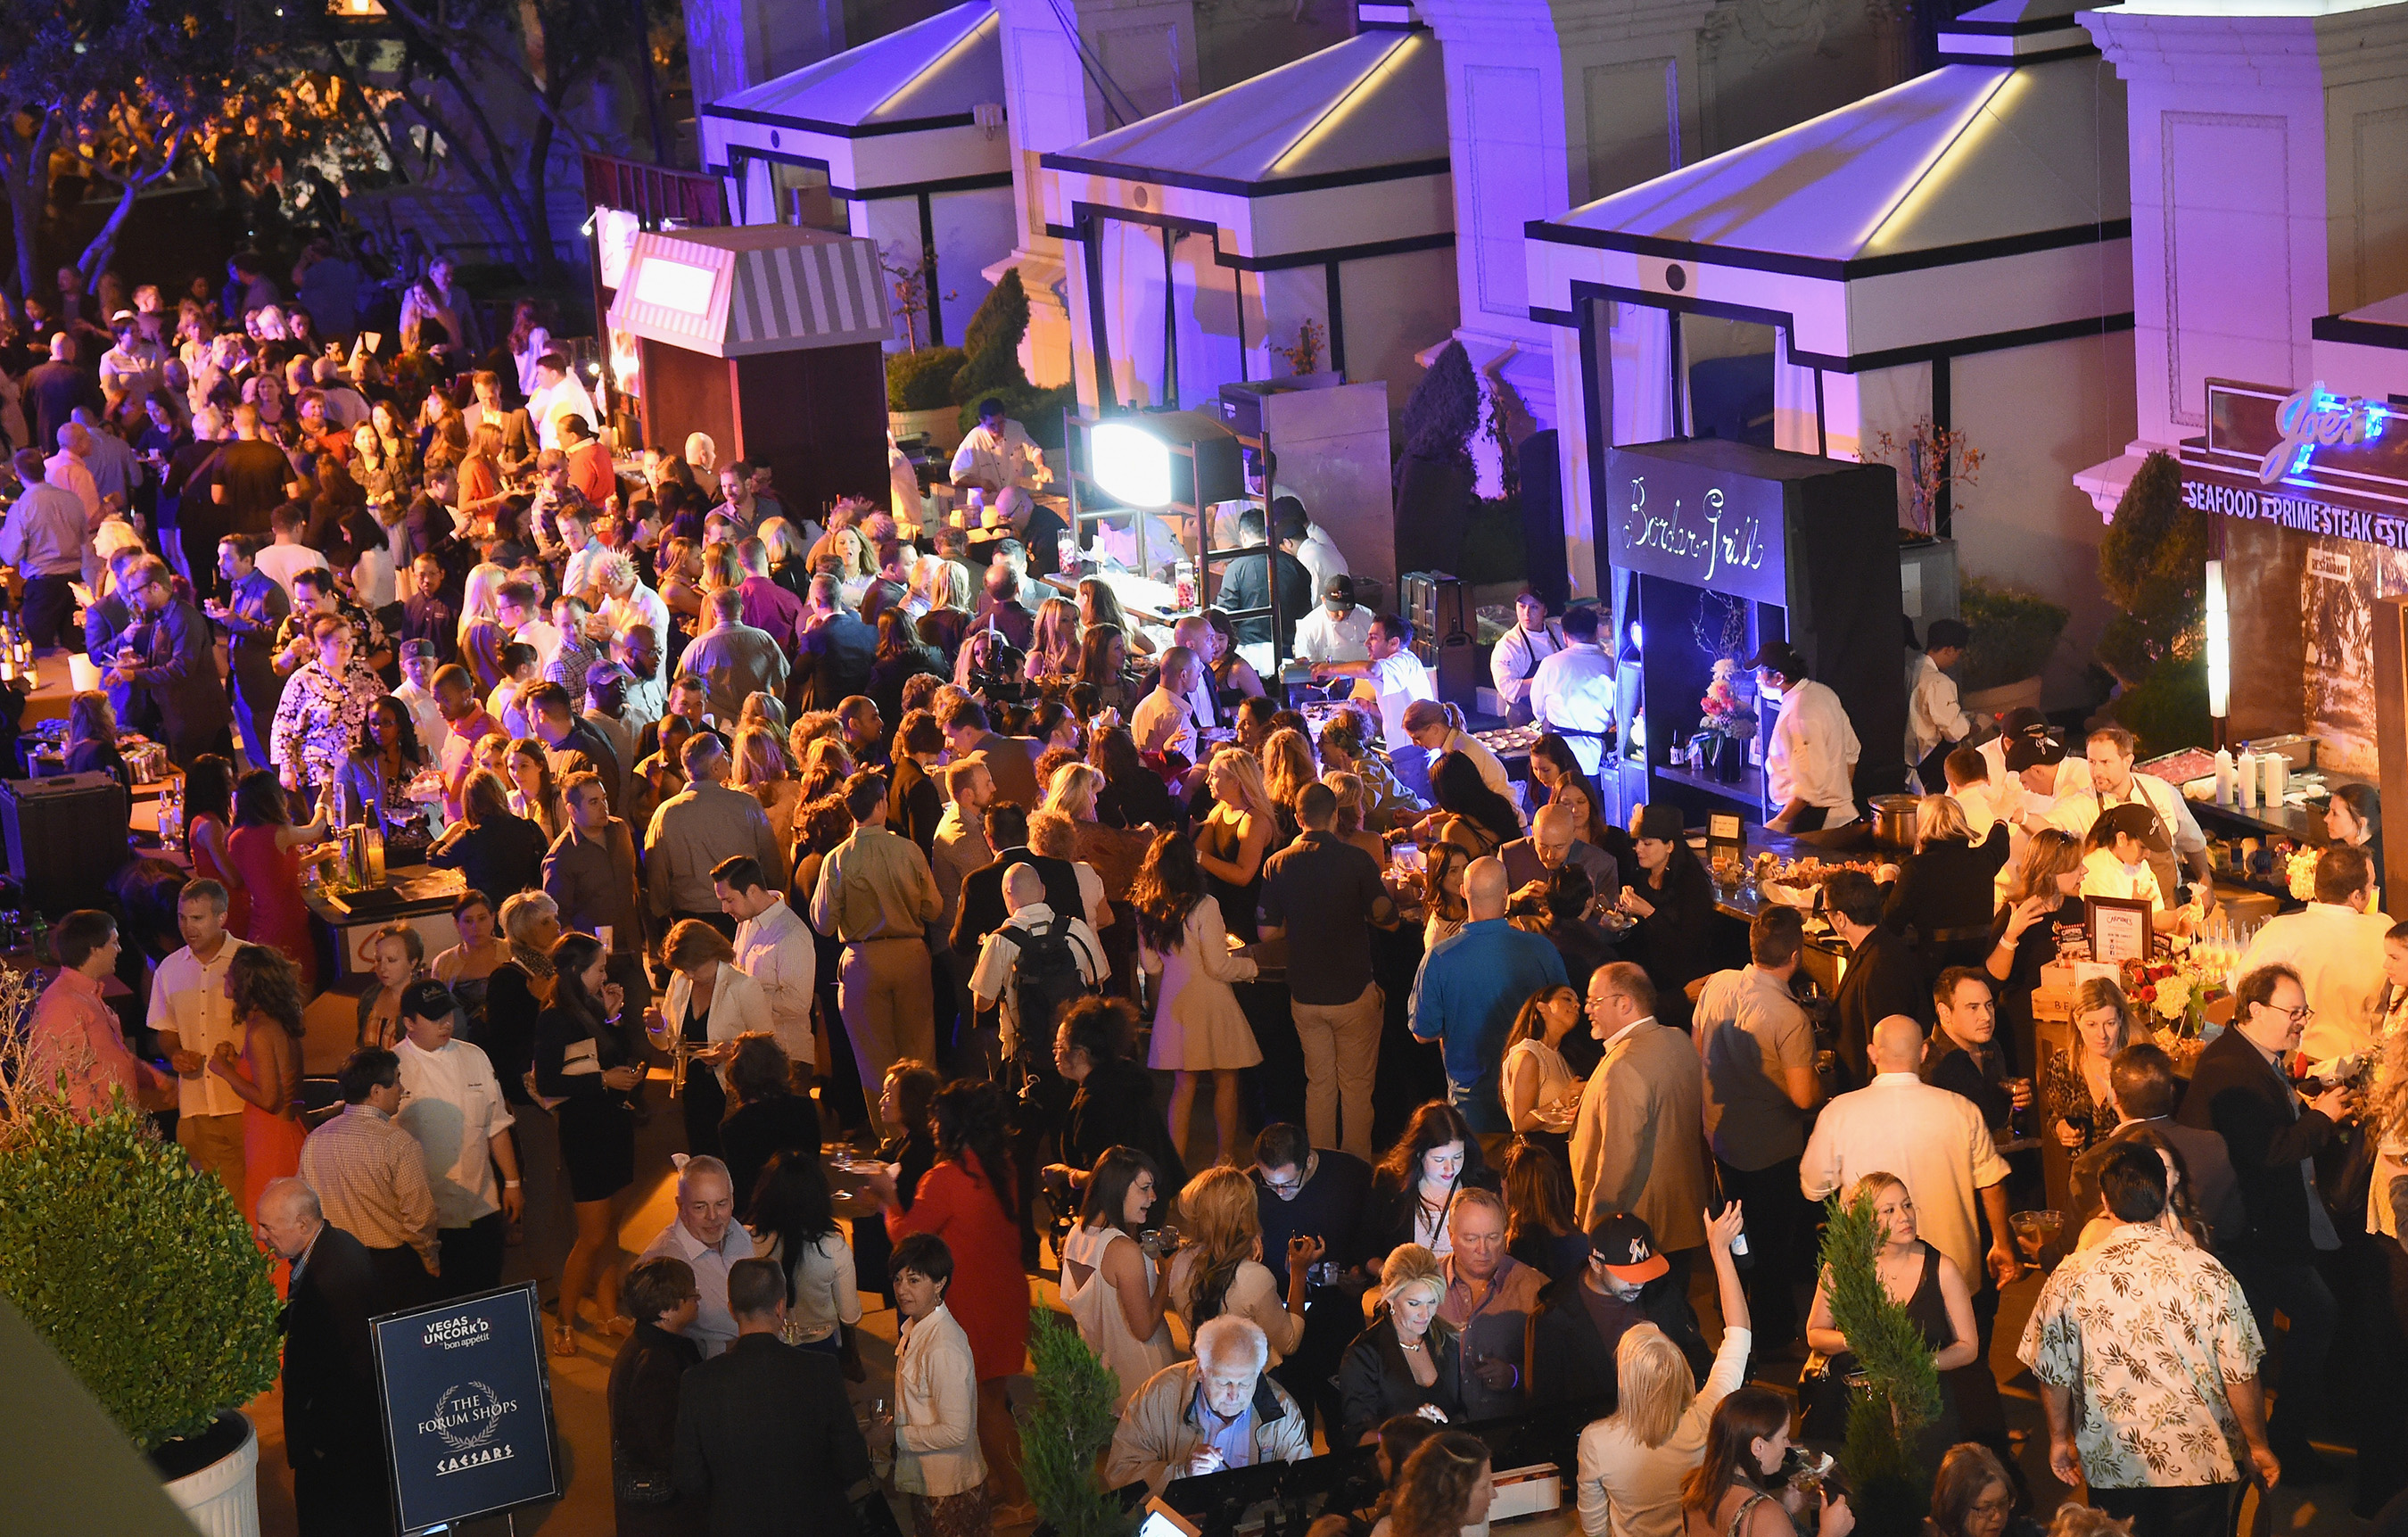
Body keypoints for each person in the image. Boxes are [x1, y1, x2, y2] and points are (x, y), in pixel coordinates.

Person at [2018, 1144, 2277, 1536]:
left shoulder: (2070, 1276)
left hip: (2113, 1460)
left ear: (2105, 1201)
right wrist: (2257, 1444)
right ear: (2164, 1192)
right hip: (2200, 1460)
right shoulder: (2208, 1272)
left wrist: (2058, 1438)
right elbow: (2240, 1372)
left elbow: (2052, 1372)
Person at [2176, 962, 2349, 1474]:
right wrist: (2323, 1118)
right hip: (2251, 1240)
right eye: (2292, 1012)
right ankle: (2270, 1447)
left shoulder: (2252, 1057)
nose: (2301, 1022)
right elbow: (2269, 1150)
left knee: (2293, 1327)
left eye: (2303, 1012)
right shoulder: (2231, 1071)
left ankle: (2275, 1441)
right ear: (2254, 1010)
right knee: (2266, 1342)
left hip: (2263, 1236)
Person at [862, 1078, 1031, 1516]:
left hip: (973, 1303)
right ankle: (1004, 1481)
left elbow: (906, 1235)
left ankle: (1020, 1499)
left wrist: (886, 1199)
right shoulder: (1001, 1166)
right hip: (1006, 1294)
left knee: (983, 1405)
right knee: (989, 1398)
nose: (933, 1126)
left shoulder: (946, 1177)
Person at [1802, 1016, 2021, 1310]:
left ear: (1872, 1053)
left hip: (1873, 1278)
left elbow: (1814, 1188)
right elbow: (1991, 1182)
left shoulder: (1838, 1113)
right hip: (1953, 1276)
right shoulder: (1961, 1109)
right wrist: (2003, 1244)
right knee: (1964, 1351)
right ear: (1923, 1053)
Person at [1576, 1203, 1753, 1537]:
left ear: (1625, 1382)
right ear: (1678, 1369)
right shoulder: (1706, 1418)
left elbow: (1594, 1528)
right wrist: (1719, 1251)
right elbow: (1739, 1334)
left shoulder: (1596, 1441)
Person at [1694, 908, 1821, 1350]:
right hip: (1769, 1148)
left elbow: (1699, 1051)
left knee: (1731, 1223)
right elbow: (1804, 1098)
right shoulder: (1790, 1017)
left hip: (1719, 1135)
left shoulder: (1718, 984)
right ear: (1795, 954)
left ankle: (1722, 1301)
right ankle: (1770, 1335)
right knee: (1770, 1246)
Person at [672, 1257, 872, 1537]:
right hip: (816, 1523)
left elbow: (689, 1479)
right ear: (780, 1307)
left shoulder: (698, 1382)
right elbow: (852, 1463)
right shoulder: (820, 1371)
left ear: (732, 1310)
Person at [257, 1178, 402, 1537]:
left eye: (267, 1227)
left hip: (338, 1445)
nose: (260, 1236)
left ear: (302, 1225)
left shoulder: (333, 1278)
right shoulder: (331, 1247)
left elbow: (353, 1365)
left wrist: (321, 1444)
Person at [1802, 1173, 1990, 1450]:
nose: (1905, 1216)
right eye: (1889, 1210)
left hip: (1923, 1406)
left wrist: (1919, 1365)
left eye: (1907, 1205)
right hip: (1855, 1408)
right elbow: (1815, 1334)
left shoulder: (1943, 1270)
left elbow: (1968, 1346)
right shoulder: (1840, 1270)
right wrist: (1853, 1340)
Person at [535, 930, 641, 1356]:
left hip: (615, 1126)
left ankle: (609, 1311)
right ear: (577, 971)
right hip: (587, 1134)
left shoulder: (590, 1008)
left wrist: (611, 1016)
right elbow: (548, 1081)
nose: (605, 974)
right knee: (592, 1235)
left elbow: (604, 1054)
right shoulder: (555, 1016)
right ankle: (564, 1322)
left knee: (612, 1227)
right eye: (599, 968)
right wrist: (604, 1080)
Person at [1410, 856, 1571, 1135]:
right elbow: (1567, 1013)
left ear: (1463, 891)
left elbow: (1423, 1033)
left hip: (1471, 1107)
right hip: (1535, 1100)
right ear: (1506, 892)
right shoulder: (1541, 949)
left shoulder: (1438, 958)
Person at [810, 770, 944, 1097]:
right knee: (920, 1054)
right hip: (911, 955)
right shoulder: (909, 851)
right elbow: (934, 909)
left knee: (873, 1059)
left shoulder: (837, 859)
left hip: (863, 960)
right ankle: (924, 1129)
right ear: (882, 804)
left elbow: (823, 923)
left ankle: (889, 1135)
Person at [1569, 964, 1711, 1269]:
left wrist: (1595, 1230)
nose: (1587, 1010)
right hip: (1682, 1218)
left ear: (1625, 1003)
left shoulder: (1623, 1066)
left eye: (1595, 1001)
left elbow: (1616, 1166)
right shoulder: (1679, 1041)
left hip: (1639, 1234)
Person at [392, 979, 521, 1296]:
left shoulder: (474, 1056)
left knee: (488, 1294)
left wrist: (513, 1183)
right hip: (428, 1218)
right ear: (409, 1022)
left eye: (448, 1014)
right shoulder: (392, 1068)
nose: (446, 1024)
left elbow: (496, 1126)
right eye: (434, 1018)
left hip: (482, 1205)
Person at [1106, 1315, 1315, 1494]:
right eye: (1223, 1382)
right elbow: (1120, 1471)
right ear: (1200, 1371)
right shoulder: (1159, 1396)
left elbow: (1303, 1483)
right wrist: (1183, 1474)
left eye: (1245, 1383)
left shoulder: (1283, 1411)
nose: (1234, 1395)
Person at [2066, 1042, 2243, 1252]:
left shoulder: (2091, 1162)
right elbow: (2233, 1226)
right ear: (2171, 1092)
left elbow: (2071, 1246)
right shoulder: (2212, 1146)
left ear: (2114, 1096)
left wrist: (2040, 1253)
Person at [301, 1047, 441, 1299]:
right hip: (388, 1266)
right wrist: (428, 1257)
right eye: (396, 1080)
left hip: (335, 1264)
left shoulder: (315, 1139)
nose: (402, 1089)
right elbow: (420, 1216)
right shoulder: (399, 1143)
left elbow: (307, 1204)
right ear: (376, 1092)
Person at [878, 1233, 993, 1533]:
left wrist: (896, 1436)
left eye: (914, 1280)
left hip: (950, 1491)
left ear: (940, 1283)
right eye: (898, 1280)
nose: (902, 1290)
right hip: (931, 1483)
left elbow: (955, 1431)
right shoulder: (917, 1329)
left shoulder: (942, 1345)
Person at [2232, 842, 2391, 1061]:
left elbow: (2240, 985)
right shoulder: (2385, 932)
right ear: (2357, 896)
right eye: (2371, 885)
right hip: (2365, 1065)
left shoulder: (2280, 930)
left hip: (2301, 1065)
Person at [150, 880, 252, 1201]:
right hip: (194, 1106)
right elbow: (166, 1030)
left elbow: (276, 1027)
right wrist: (176, 1052)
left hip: (244, 1103)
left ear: (222, 917)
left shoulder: (250, 961)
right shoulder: (169, 969)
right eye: (182, 918)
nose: (187, 927)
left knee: (249, 1198)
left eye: (197, 918)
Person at [1060, 1145, 1180, 1409]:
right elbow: (1144, 1328)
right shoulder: (1122, 1250)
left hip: (1104, 1378)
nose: (1154, 1197)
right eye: (1144, 1188)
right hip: (1144, 1378)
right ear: (1118, 1188)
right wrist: (1167, 1272)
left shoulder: (1077, 1234)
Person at [2048, 725, 2214, 913]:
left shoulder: (2161, 791)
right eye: (2092, 762)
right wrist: (2024, 818)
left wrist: (2205, 882)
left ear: (2128, 761)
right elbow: (2047, 828)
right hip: (2114, 913)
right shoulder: (2082, 804)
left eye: (2105, 762)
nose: (2097, 771)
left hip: (2167, 903)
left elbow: (2192, 841)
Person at [647, 920, 771, 1162]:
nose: (691, 975)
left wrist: (733, 1051)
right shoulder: (680, 980)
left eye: (695, 967)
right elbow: (668, 1041)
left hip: (731, 1090)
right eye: (685, 969)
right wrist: (657, 1026)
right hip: (693, 1086)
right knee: (702, 1157)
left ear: (713, 952)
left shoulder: (743, 985)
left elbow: (767, 1044)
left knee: (734, 1160)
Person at [609, 1256, 706, 1537]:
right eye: (691, 1295)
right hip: (665, 1514)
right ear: (666, 1311)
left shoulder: (646, 1347)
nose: (697, 1298)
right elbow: (663, 1443)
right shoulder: (657, 1363)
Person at [647, 733, 785, 931]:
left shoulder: (666, 813)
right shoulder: (746, 805)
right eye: (724, 755)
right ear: (715, 768)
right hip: (744, 914)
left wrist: (661, 910)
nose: (729, 759)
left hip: (690, 917)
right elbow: (771, 862)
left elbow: (657, 871)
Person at [1431, 1188, 1546, 1422]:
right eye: (1471, 1239)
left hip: (1509, 1432)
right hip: (1439, 1438)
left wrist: (1515, 1375)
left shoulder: (1534, 1288)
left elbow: (1561, 1369)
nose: (1482, 1250)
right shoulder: (1426, 1284)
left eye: (1493, 1238)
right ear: (1450, 1234)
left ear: (1507, 1235)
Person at [1679, 1385, 1854, 1537]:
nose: (1788, 1444)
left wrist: (1784, 1507)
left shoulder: (1695, 1488)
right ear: (1758, 1447)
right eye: (1784, 1437)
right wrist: (1831, 1532)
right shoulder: (1763, 1514)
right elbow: (1758, 1521)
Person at [109, 556, 233, 768]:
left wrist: (135, 675)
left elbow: (182, 668)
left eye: (135, 592)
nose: (132, 599)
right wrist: (135, 665)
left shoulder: (183, 618)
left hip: (198, 722)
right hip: (179, 719)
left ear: (155, 586)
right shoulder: (162, 615)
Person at [1339, 1243, 1464, 1443]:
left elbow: (1461, 1412)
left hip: (1445, 1466)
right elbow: (1358, 1437)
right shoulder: (1363, 1354)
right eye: (1414, 1304)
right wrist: (1408, 1430)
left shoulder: (1447, 1339)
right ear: (1390, 1296)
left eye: (1432, 1302)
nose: (1425, 1314)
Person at [1885, 795, 2012, 984]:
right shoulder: (1983, 861)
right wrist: (2000, 820)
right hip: (1979, 966)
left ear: (1922, 825)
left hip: (1933, 974)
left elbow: (1890, 923)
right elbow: (1999, 843)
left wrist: (1887, 880)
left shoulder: (1916, 869)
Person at [749, 1148, 862, 1358]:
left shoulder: (749, 1242)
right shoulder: (834, 1248)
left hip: (766, 1348)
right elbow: (850, 1316)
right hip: (820, 1349)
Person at [1615, 805, 1716, 1032]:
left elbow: (1686, 948)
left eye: (1647, 843)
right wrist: (1619, 920)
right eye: (1637, 842)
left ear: (1670, 846)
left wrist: (1649, 913)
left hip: (1683, 986)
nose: (1638, 849)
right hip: (1647, 983)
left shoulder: (1691, 886)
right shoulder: (1639, 876)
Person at [1363, 1103, 1499, 1268]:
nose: (1450, 1168)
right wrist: (1391, 1274)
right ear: (1419, 1154)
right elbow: (1366, 1249)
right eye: (1439, 1160)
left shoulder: (1483, 1183)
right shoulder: (1390, 1184)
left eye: (1458, 1157)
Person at [1747, 640, 1860, 832]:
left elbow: (1808, 787)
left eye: (1760, 673)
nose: (1757, 679)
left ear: (1779, 677)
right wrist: (1841, 792)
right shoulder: (1823, 693)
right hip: (1837, 815)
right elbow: (1852, 752)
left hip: (1815, 818)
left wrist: (1780, 822)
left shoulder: (1799, 714)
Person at [1827, 868, 1926, 1083]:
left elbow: (1887, 1046)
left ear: (1840, 918)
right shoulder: (1875, 949)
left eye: (1826, 911)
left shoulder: (1881, 964)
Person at [542, 771, 644, 964]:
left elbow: (632, 880)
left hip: (631, 949)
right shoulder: (561, 856)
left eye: (604, 799)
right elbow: (557, 916)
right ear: (572, 810)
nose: (603, 807)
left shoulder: (620, 830)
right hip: (592, 957)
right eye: (593, 802)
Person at [721, 1041, 823, 1219]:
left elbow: (739, 1186)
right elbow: (813, 1160)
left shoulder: (733, 1126)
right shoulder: (805, 1108)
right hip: (807, 1210)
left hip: (758, 1219)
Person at [1922, 969, 2025, 1132]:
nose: (1986, 1016)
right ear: (1945, 1013)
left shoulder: (1991, 1047)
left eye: (1989, 1005)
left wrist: (2016, 1099)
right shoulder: (1928, 1064)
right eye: (1973, 1008)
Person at [2041, 978, 2135, 1156]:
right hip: (2082, 1174)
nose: (2102, 1035)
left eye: (2110, 1023)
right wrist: (2060, 1128)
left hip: (2127, 1172)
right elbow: (2053, 1115)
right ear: (2077, 1020)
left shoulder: (2135, 1068)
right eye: (2092, 1025)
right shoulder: (2062, 1065)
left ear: (2121, 1019)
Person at [429, 768, 548, 900]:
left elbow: (433, 857)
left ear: (469, 803)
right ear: (500, 794)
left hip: (488, 914)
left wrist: (453, 828)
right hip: (524, 909)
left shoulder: (470, 839)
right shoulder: (530, 828)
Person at [1909, 617, 1973, 790]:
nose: (1956, 660)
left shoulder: (1911, 671)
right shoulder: (1938, 682)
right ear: (1949, 650)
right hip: (1929, 766)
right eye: (1958, 654)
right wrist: (1977, 725)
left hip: (1908, 765)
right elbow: (1955, 732)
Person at [1492, 591, 1569, 728]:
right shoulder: (1508, 646)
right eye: (1522, 606)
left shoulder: (1558, 632)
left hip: (1563, 713)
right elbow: (1509, 689)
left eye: (1534, 607)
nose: (1526, 613)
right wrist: (1550, 680)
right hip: (1525, 719)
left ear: (1545, 610)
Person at [950, 397, 1046, 494]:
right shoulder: (974, 439)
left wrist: (1041, 467)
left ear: (1005, 416)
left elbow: (1034, 451)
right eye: (992, 425)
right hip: (986, 505)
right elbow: (956, 476)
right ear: (982, 421)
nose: (997, 428)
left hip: (1016, 501)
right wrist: (981, 483)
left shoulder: (1016, 428)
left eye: (1001, 423)